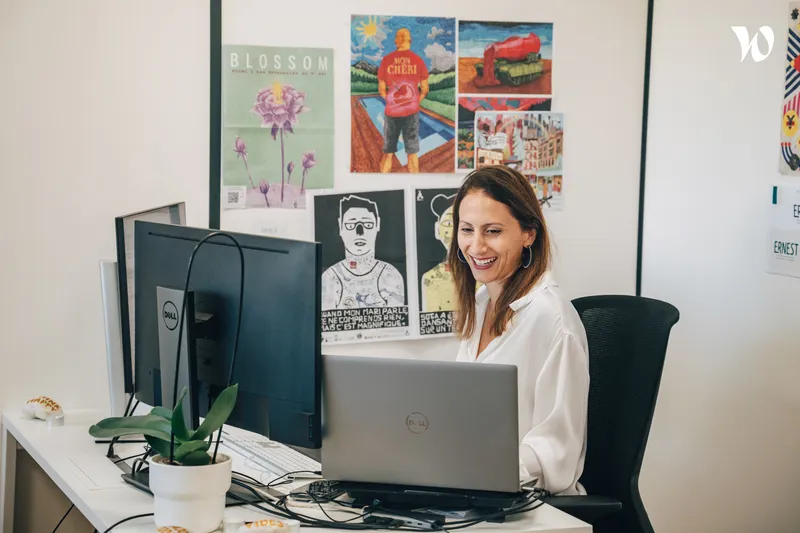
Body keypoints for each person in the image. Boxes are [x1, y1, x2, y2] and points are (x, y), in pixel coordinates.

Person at [447, 165, 589, 496]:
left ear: (528, 234)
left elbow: (554, 456)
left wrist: (477, 472)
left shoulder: (552, 320)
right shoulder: (482, 302)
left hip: (531, 504)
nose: (476, 246)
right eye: (467, 230)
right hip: (475, 489)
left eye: (493, 231)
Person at [322, 194, 405, 310]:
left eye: (368, 225)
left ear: (378, 224)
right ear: (340, 226)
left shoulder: (390, 275)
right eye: (350, 225)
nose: (359, 232)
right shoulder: (329, 278)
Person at [377, 28, 429, 174]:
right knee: (412, 154)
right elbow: (425, 89)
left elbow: (381, 90)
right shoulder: (418, 61)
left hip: (392, 112)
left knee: (388, 153)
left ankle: (382, 185)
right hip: (411, 112)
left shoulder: (387, 60)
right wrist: (415, 102)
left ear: (396, 41)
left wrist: (392, 101)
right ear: (409, 41)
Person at [421, 193, 456, 313]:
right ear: (437, 230)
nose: (455, 231)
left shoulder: (488, 274)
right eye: (448, 224)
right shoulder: (432, 278)